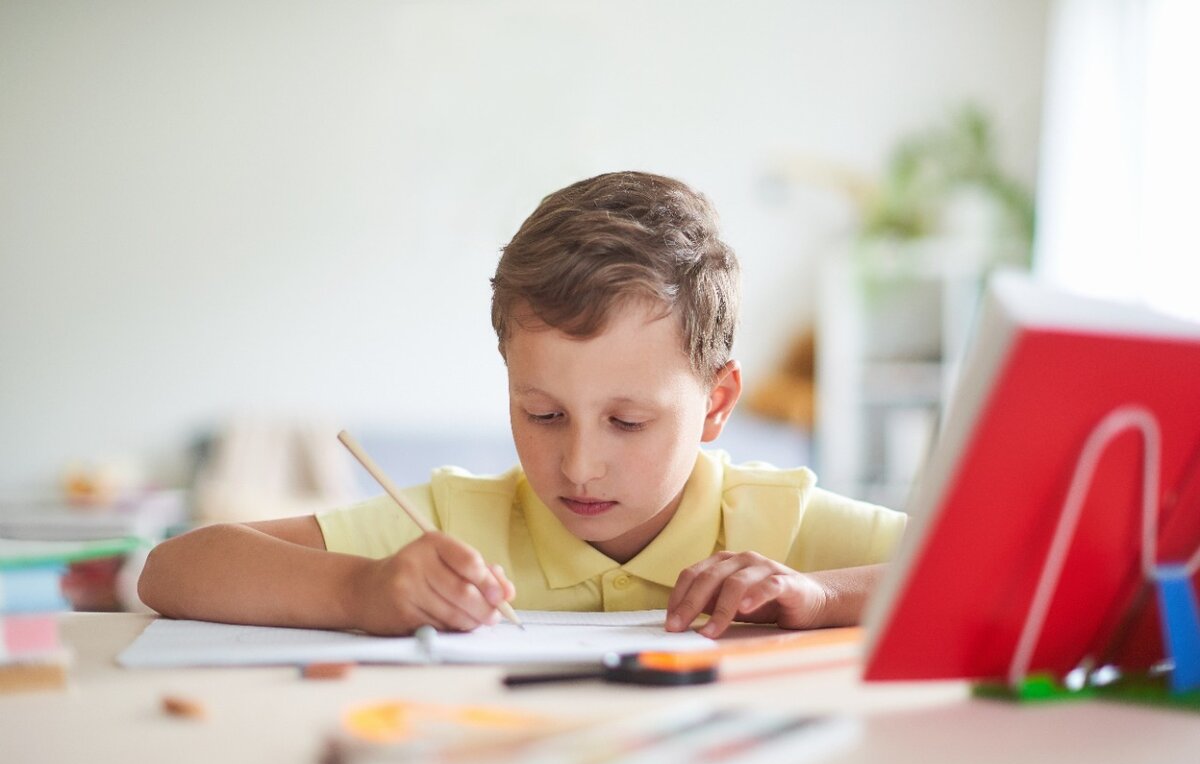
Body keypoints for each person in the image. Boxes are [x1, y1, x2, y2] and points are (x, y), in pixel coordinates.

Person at [138, 171, 905, 639]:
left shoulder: (778, 524)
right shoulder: (452, 527)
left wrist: (819, 594)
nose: (577, 464)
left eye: (628, 422)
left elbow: (1016, 567)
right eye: (541, 414)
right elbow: (172, 571)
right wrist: (361, 589)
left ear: (717, 402)